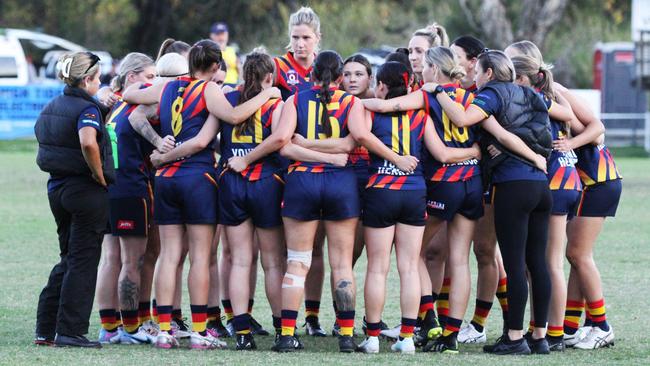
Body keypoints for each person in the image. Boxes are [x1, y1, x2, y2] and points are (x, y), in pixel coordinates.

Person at [122, 39, 280, 350]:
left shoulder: (168, 87)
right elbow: (233, 118)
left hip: (165, 179)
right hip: (197, 176)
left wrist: (160, 146)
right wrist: (267, 94)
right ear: (215, 67)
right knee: (199, 257)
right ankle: (198, 329)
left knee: (169, 256)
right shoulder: (209, 90)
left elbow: (128, 96)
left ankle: (165, 329)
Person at [424, 50, 553, 355]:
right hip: (540, 185)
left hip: (514, 186)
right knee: (537, 262)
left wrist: (439, 91)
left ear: (490, 74)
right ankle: (540, 337)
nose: (474, 77)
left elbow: (464, 118)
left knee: (515, 264)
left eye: (478, 73)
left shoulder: (492, 94)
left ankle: (514, 336)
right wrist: (537, 157)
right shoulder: (528, 93)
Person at [352, 61, 481, 354]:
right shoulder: (422, 117)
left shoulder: (371, 111)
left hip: (381, 190)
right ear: (409, 83)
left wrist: (392, 158)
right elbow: (443, 154)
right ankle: (408, 338)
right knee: (410, 266)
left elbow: (361, 137)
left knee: (377, 267)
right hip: (413, 192)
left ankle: (372, 338)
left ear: (381, 87)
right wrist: (474, 151)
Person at [505, 40, 617, 350]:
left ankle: (595, 325)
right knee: (566, 256)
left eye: (511, 65)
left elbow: (596, 129)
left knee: (569, 256)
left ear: (526, 71)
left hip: (594, 180)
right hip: (574, 180)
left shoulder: (553, 94)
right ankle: (567, 327)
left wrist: (571, 142)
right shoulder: (542, 97)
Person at [272, 50, 363, 353]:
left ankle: (286, 335)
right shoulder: (352, 102)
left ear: (311, 75)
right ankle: (347, 337)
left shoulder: (294, 100)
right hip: (341, 183)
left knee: (297, 262)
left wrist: (307, 146)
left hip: (302, 182)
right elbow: (350, 144)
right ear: (340, 78)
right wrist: (332, 158)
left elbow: (284, 146)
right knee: (341, 264)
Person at [34, 51, 113, 348]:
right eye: (98, 77)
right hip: (85, 190)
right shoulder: (87, 109)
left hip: (57, 188)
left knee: (68, 258)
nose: (100, 81)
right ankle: (71, 331)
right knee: (83, 261)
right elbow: (87, 140)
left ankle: (45, 328)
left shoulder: (52, 106)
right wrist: (100, 174)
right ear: (87, 80)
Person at [511, 54, 578, 352]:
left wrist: (570, 143)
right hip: (567, 179)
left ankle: (554, 333)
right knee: (543, 263)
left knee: (549, 263)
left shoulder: (531, 99)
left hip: (554, 182)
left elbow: (590, 124)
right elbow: (573, 119)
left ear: (523, 78)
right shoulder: (551, 97)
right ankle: (544, 329)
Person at [95, 52, 157, 345]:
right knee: (133, 261)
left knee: (112, 260)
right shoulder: (134, 107)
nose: (153, 83)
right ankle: (131, 328)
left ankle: (109, 327)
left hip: (108, 188)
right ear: (131, 78)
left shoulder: (116, 104)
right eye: (149, 77)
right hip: (131, 189)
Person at [408, 23, 448, 90]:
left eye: (419, 51)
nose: (412, 57)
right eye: (410, 52)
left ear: (435, 54)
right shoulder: (410, 87)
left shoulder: (453, 91)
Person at [210, 22, 241, 87]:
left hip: (233, 85)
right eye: (218, 34)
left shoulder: (234, 50)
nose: (221, 37)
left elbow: (240, 70)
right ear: (212, 36)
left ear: (227, 35)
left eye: (223, 34)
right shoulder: (210, 52)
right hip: (217, 85)